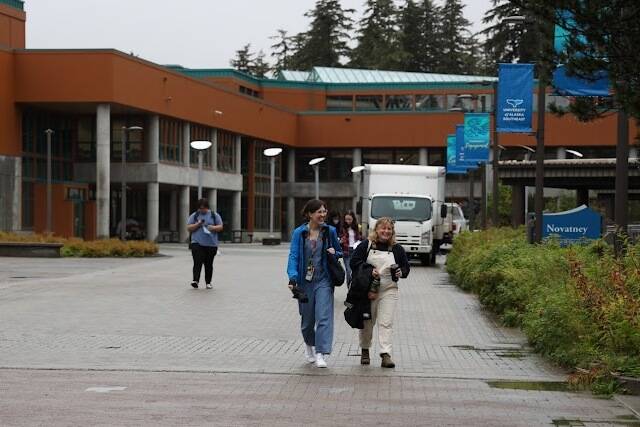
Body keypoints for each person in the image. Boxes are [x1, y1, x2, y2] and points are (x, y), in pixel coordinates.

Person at [287, 199, 342, 368]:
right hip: (305, 281)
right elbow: (294, 255)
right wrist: (293, 277)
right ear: (309, 214)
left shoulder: (329, 231)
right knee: (307, 320)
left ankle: (321, 353)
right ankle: (308, 344)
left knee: (324, 316)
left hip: (324, 280)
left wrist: (335, 252)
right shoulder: (299, 233)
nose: (323, 215)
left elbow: (339, 251)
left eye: (324, 211)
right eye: (319, 211)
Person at [350, 217, 410, 368]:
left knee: (386, 322)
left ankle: (385, 354)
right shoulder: (366, 245)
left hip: (388, 290)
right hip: (368, 291)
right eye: (383, 228)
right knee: (368, 322)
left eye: (389, 229)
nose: (386, 231)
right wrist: (370, 271)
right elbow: (354, 262)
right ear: (376, 230)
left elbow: (406, 268)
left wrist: (400, 272)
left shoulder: (397, 249)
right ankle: (365, 349)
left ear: (392, 232)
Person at [186, 199, 223, 289]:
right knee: (197, 262)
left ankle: (208, 282)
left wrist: (213, 228)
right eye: (200, 208)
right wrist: (197, 224)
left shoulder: (214, 215)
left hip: (211, 244)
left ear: (207, 207)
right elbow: (188, 227)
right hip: (197, 243)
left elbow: (220, 227)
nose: (202, 210)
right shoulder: (195, 215)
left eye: (204, 208)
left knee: (208, 264)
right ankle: (195, 280)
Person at [339, 211, 362, 285]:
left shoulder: (357, 227)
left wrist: (358, 243)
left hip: (355, 250)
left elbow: (360, 238)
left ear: (353, 219)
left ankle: (354, 286)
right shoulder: (343, 228)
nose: (347, 221)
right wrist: (340, 241)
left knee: (356, 270)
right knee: (349, 271)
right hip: (346, 251)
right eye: (346, 219)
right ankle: (349, 287)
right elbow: (339, 239)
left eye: (349, 219)